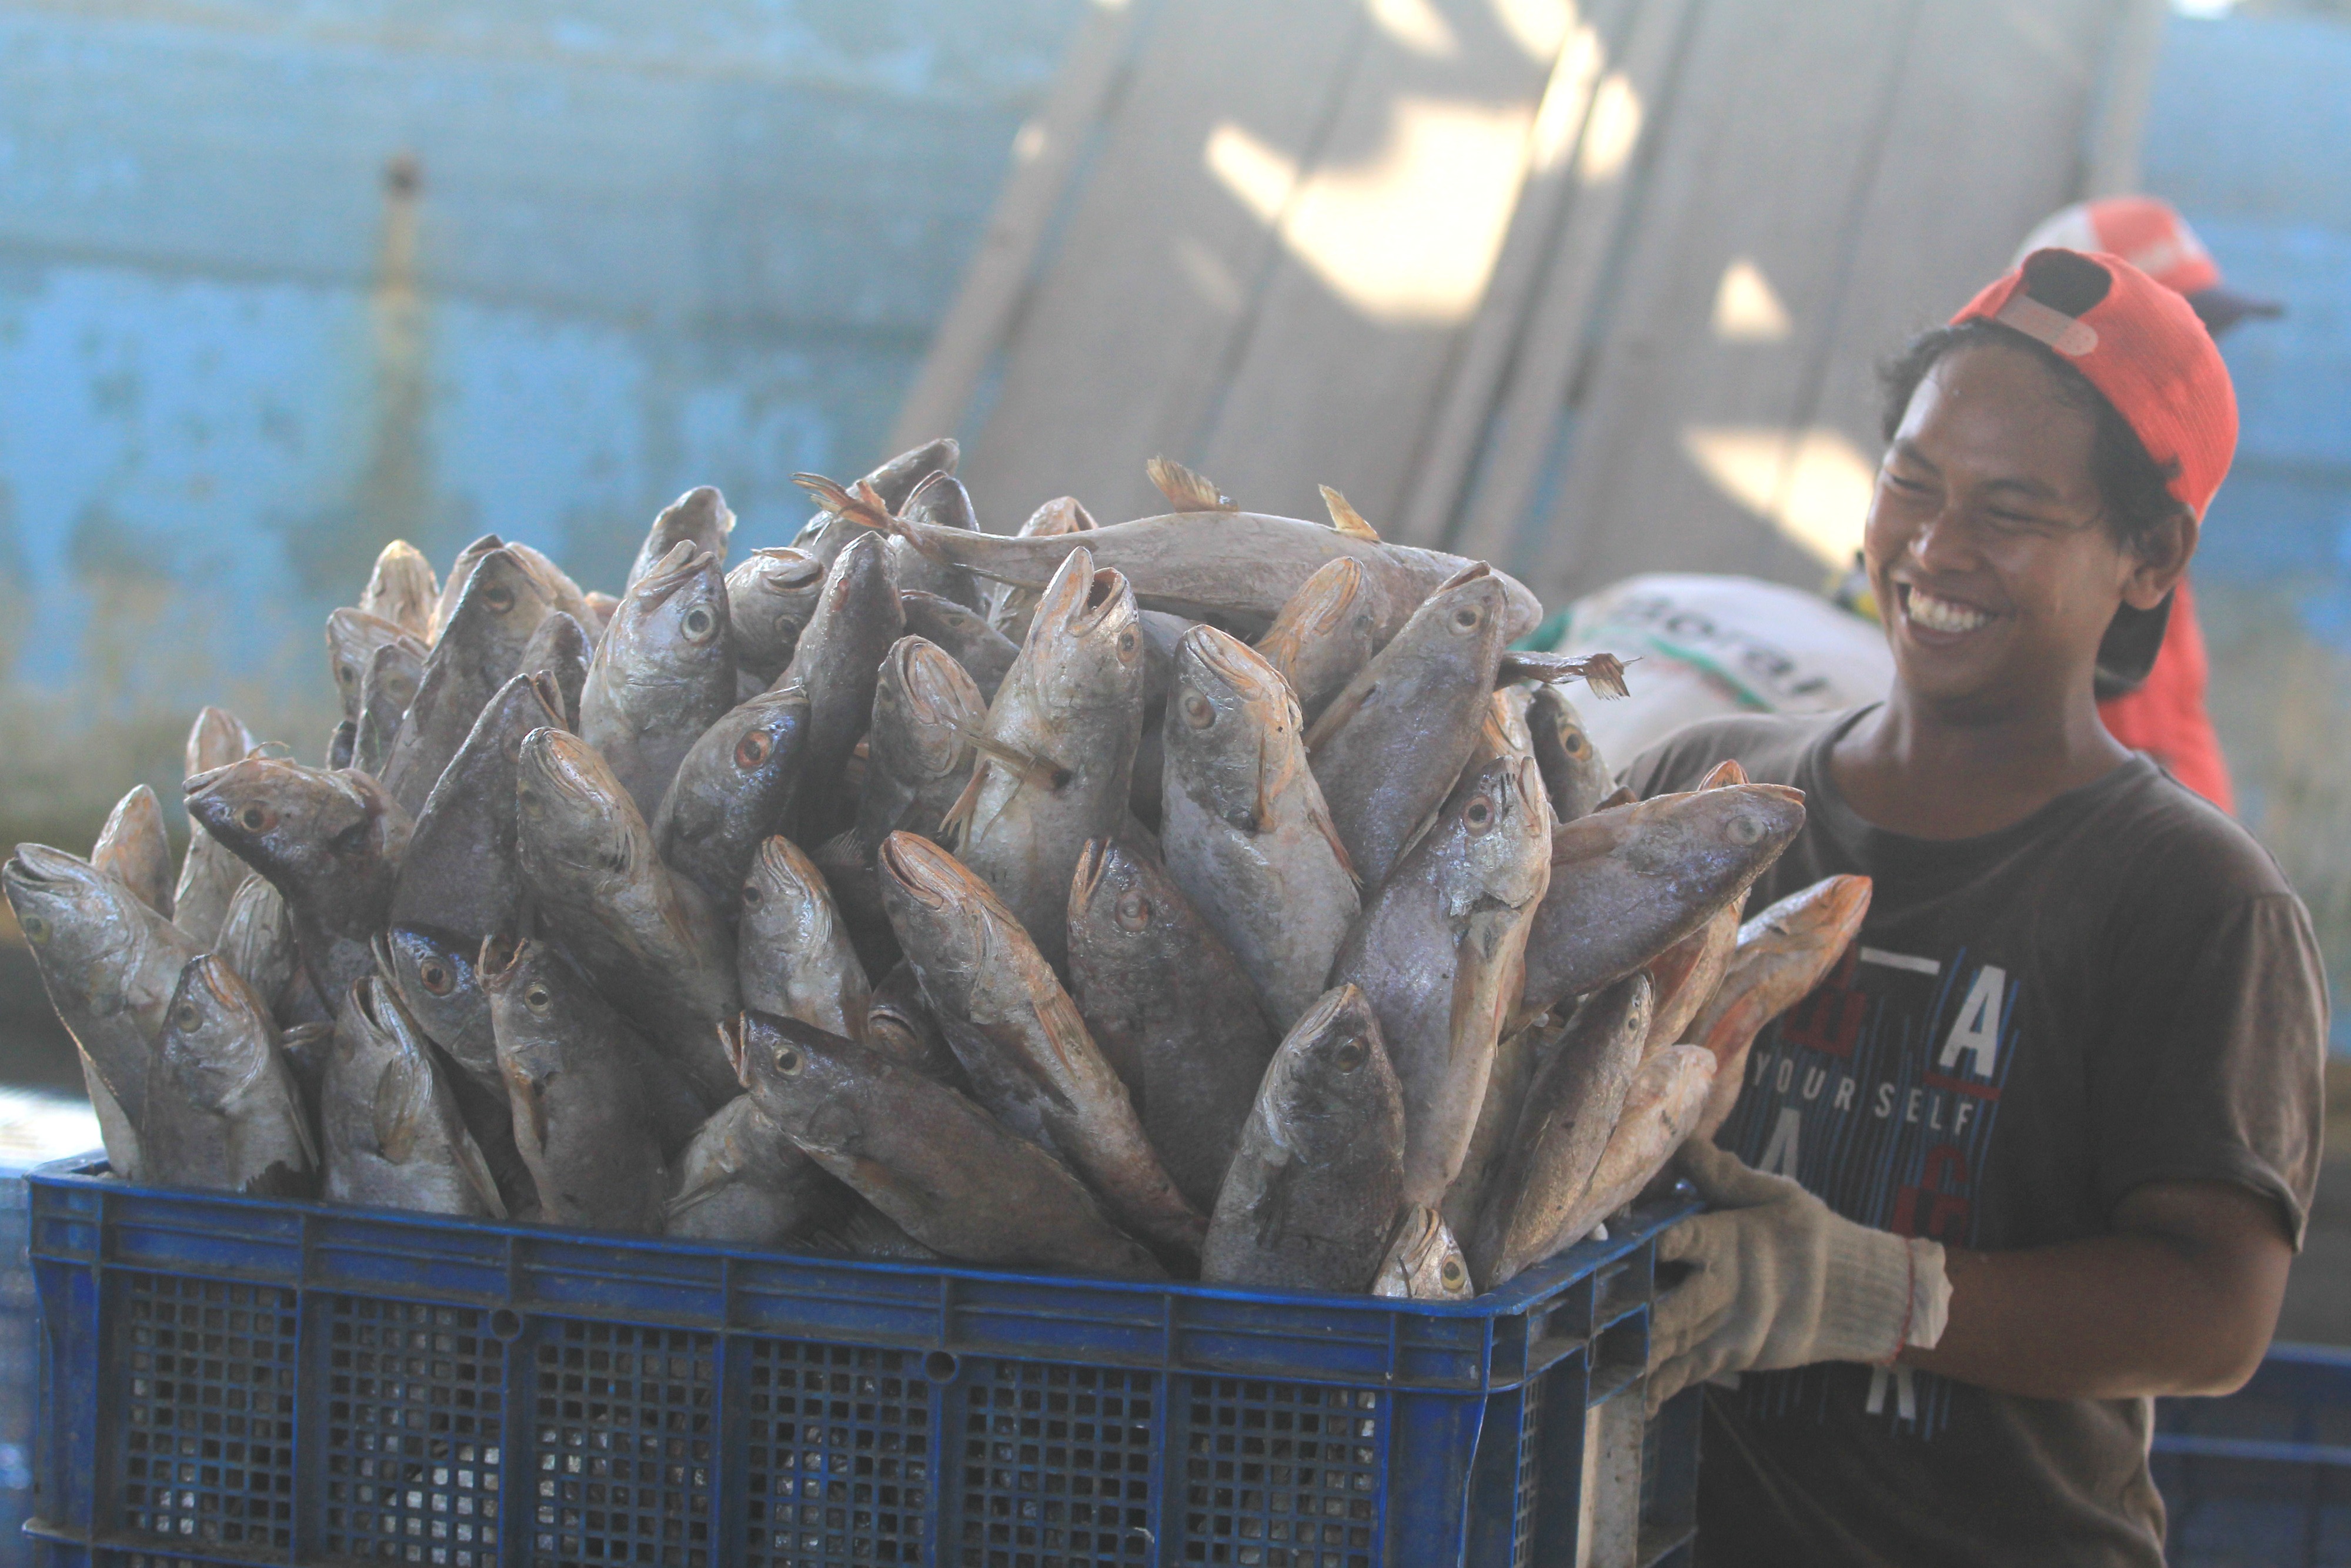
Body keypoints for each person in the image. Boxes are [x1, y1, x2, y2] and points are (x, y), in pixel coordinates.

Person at [1631, 247, 2326, 1566]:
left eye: (2012, 509)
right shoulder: (1703, 793)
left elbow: (2214, 1310)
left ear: (2148, 553)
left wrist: (1874, 1292)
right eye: (1912, 480)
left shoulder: (2193, 900)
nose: (1936, 549)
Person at [2022, 196, 2284, 813]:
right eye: (2160, 345)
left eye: (2200, 340)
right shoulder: (2037, 532)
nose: (2197, 371)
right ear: (2051, 342)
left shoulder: (2148, 520)